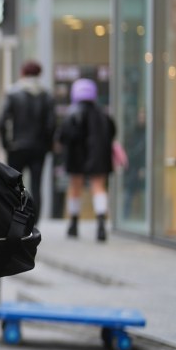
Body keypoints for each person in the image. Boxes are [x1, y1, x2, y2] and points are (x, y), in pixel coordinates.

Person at [57, 77, 117, 241]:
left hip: (76, 157)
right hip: (98, 157)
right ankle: (101, 226)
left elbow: (63, 137)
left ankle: (74, 225)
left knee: (75, 188)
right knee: (99, 188)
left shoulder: (72, 114)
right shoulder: (103, 114)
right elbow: (112, 133)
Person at [0, 60, 55, 223]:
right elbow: (51, 124)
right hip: (39, 147)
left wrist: (6, 143)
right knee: (37, 185)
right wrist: (48, 145)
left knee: (14, 184)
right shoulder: (46, 95)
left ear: (22, 73)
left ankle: (16, 218)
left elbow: (2, 121)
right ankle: (35, 222)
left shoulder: (13, 92)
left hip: (17, 147)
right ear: (39, 74)